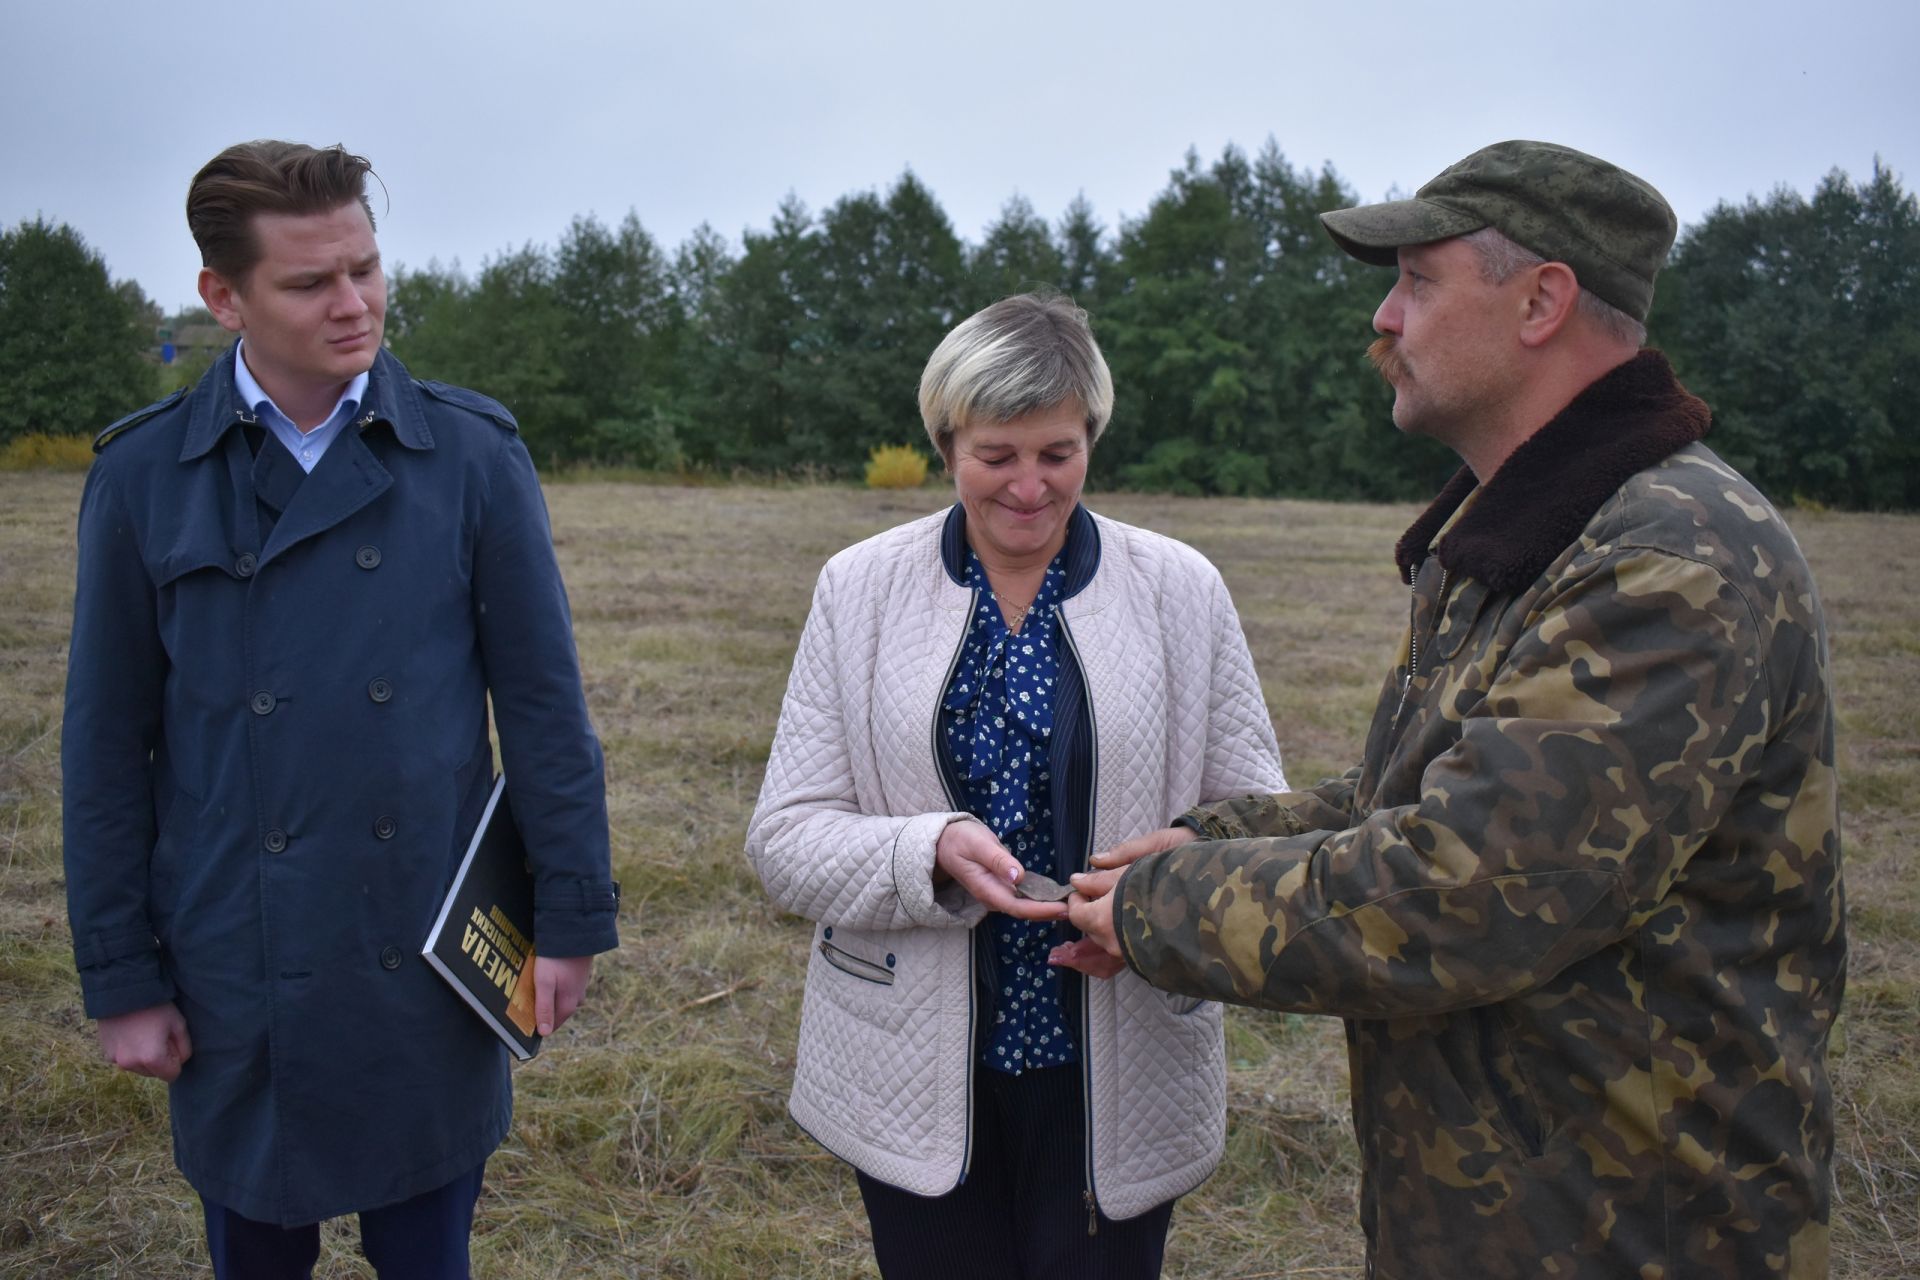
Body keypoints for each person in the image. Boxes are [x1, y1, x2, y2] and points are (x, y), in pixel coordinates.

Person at [1064, 141, 1846, 1279]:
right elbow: (1417, 798)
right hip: (1507, 1213)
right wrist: (1214, 839)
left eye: (1418, 281)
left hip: (1636, 1231)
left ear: (1542, 301)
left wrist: (1157, 904)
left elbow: (1460, 891)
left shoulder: (1675, 558)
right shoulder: (1536, 535)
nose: (1385, 318)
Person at [60, 140, 620, 1279]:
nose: (355, 302)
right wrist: (122, 975)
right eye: (311, 282)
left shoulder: (470, 453)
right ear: (224, 298)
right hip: (237, 960)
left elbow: (545, 708)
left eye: (366, 267)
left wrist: (569, 914)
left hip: (420, 951)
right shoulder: (142, 476)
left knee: (428, 1253)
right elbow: (106, 748)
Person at [745, 292, 1286, 1278]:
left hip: (1118, 1070)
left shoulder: (1182, 590)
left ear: (1092, 438)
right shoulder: (857, 589)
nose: (1031, 486)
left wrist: (1163, 903)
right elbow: (785, 837)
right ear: (946, 442)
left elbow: (1257, 822)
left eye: (1059, 452)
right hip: (908, 1068)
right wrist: (926, 851)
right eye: (999, 455)